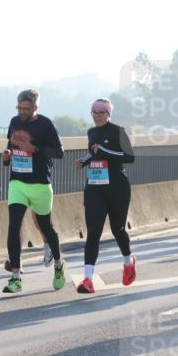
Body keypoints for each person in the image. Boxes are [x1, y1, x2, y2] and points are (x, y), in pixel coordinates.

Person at [2, 89, 67, 293]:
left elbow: (59, 152)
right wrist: (7, 157)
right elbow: (11, 146)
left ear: (35, 108)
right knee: (14, 226)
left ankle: (58, 264)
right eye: (19, 108)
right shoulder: (14, 122)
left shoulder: (45, 124)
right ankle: (15, 278)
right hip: (18, 182)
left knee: (46, 227)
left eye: (26, 109)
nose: (22, 112)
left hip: (40, 183)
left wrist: (36, 149)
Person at [74, 98, 137, 293]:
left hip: (117, 188)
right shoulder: (91, 132)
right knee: (93, 232)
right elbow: (95, 154)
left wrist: (104, 151)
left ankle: (128, 262)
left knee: (118, 229)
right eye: (94, 112)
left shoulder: (119, 131)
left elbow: (129, 157)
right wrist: (84, 161)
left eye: (101, 112)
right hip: (95, 188)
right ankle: (87, 279)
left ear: (109, 114)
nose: (97, 115)